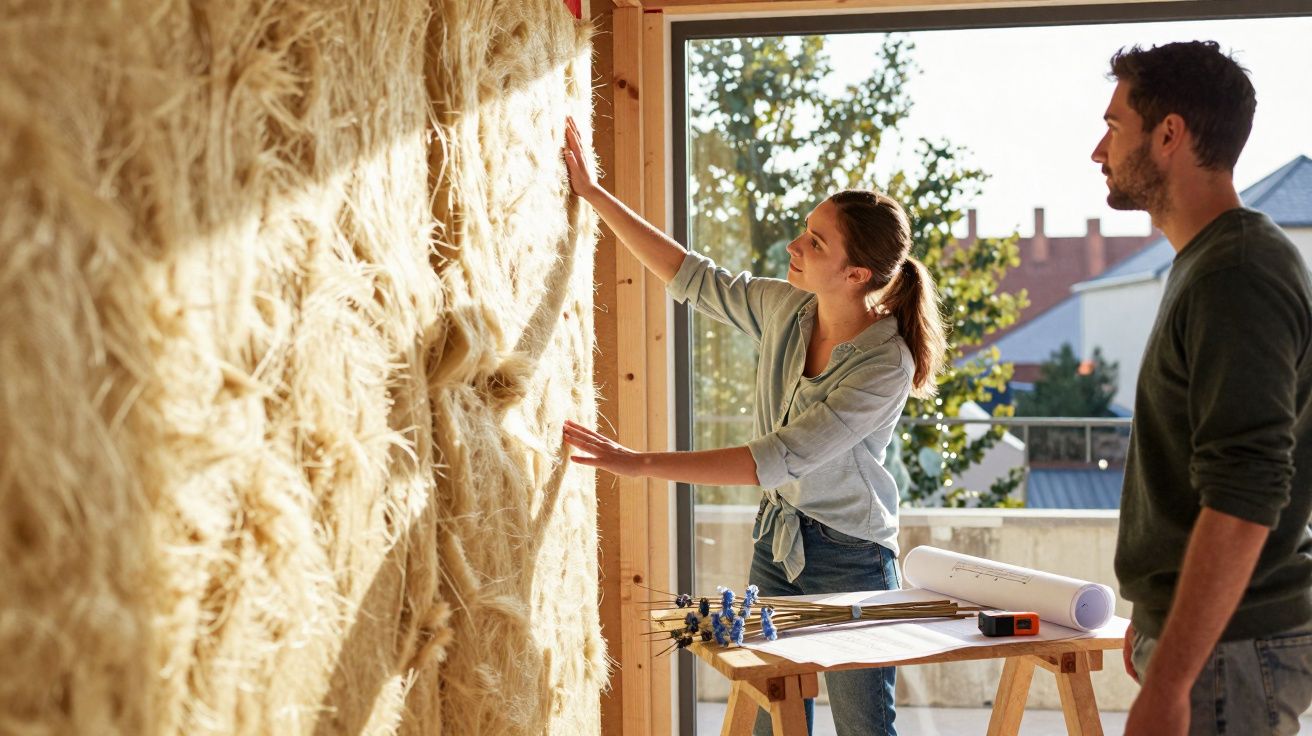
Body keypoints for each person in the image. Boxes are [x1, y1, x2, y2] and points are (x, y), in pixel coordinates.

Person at [559, 116, 945, 736]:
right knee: (771, 722)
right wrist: (595, 195)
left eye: (816, 243)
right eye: (805, 231)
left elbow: (776, 458)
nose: (795, 246)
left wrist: (638, 462)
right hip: (779, 541)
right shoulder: (788, 308)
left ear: (857, 275)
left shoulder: (884, 363)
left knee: (864, 729)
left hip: (853, 559)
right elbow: (694, 277)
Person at [1092, 41, 1312, 736]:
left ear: (1169, 134)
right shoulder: (1207, 263)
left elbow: (1244, 491)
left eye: (1114, 126)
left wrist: (1175, 679)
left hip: (1232, 650)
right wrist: (1157, 618)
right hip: (1215, 641)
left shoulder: (1235, 272)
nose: (1098, 150)